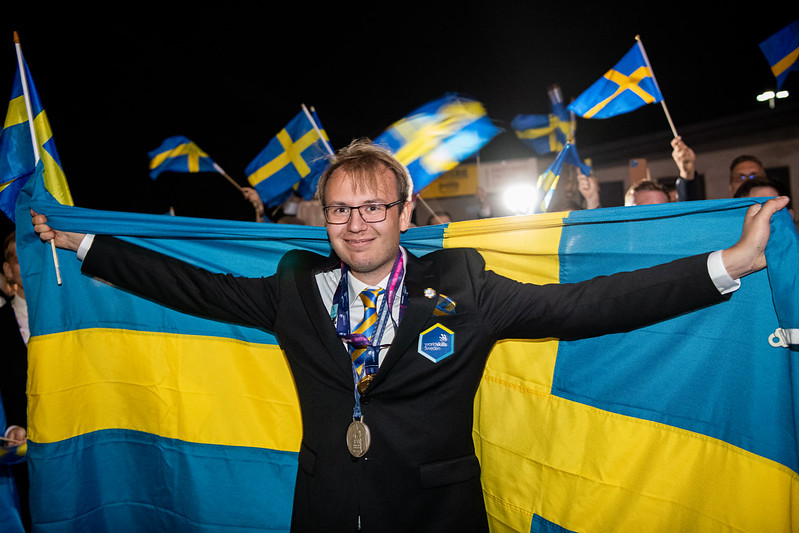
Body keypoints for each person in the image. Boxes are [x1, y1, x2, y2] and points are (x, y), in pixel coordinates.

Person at [31, 138, 790, 533]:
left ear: (403, 210)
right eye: (338, 210)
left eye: (372, 208)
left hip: (437, 518)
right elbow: (191, 287)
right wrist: (87, 245)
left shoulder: (462, 285)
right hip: (326, 511)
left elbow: (585, 304)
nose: (355, 223)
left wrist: (726, 264)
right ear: (321, 218)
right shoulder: (297, 290)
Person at [1, 232, 30, 531]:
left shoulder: (72, 317)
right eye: (19, 259)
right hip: (26, 459)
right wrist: (11, 427)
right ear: (8, 271)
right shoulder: (1, 325)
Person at [671, 136, 769, 200]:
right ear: (730, 188)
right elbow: (690, 213)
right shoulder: (723, 218)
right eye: (741, 178)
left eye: (754, 176)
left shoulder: (781, 211)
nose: (748, 181)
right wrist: (687, 173)